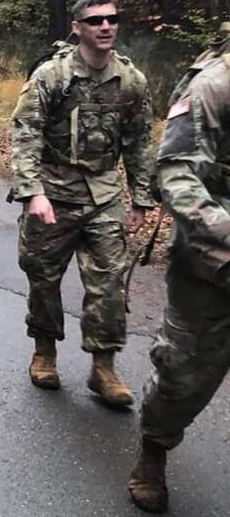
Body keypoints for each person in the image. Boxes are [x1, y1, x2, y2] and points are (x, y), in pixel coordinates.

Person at [9, 0, 155, 405]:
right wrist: (32, 192)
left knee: (109, 284)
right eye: (95, 21)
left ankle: (103, 368)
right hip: (53, 193)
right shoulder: (52, 76)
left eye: (111, 19)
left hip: (105, 195)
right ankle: (45, 351)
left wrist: (142, 198)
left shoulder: (130, 81)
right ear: (78, 28)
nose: (105, 26)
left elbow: (140, 142)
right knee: (43, 277)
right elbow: (25, 133)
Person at [127, 50, 230, 513]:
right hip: (213, 259)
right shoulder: (214, 86)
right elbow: (176, 172)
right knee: (185, 374)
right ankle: (154, 447)